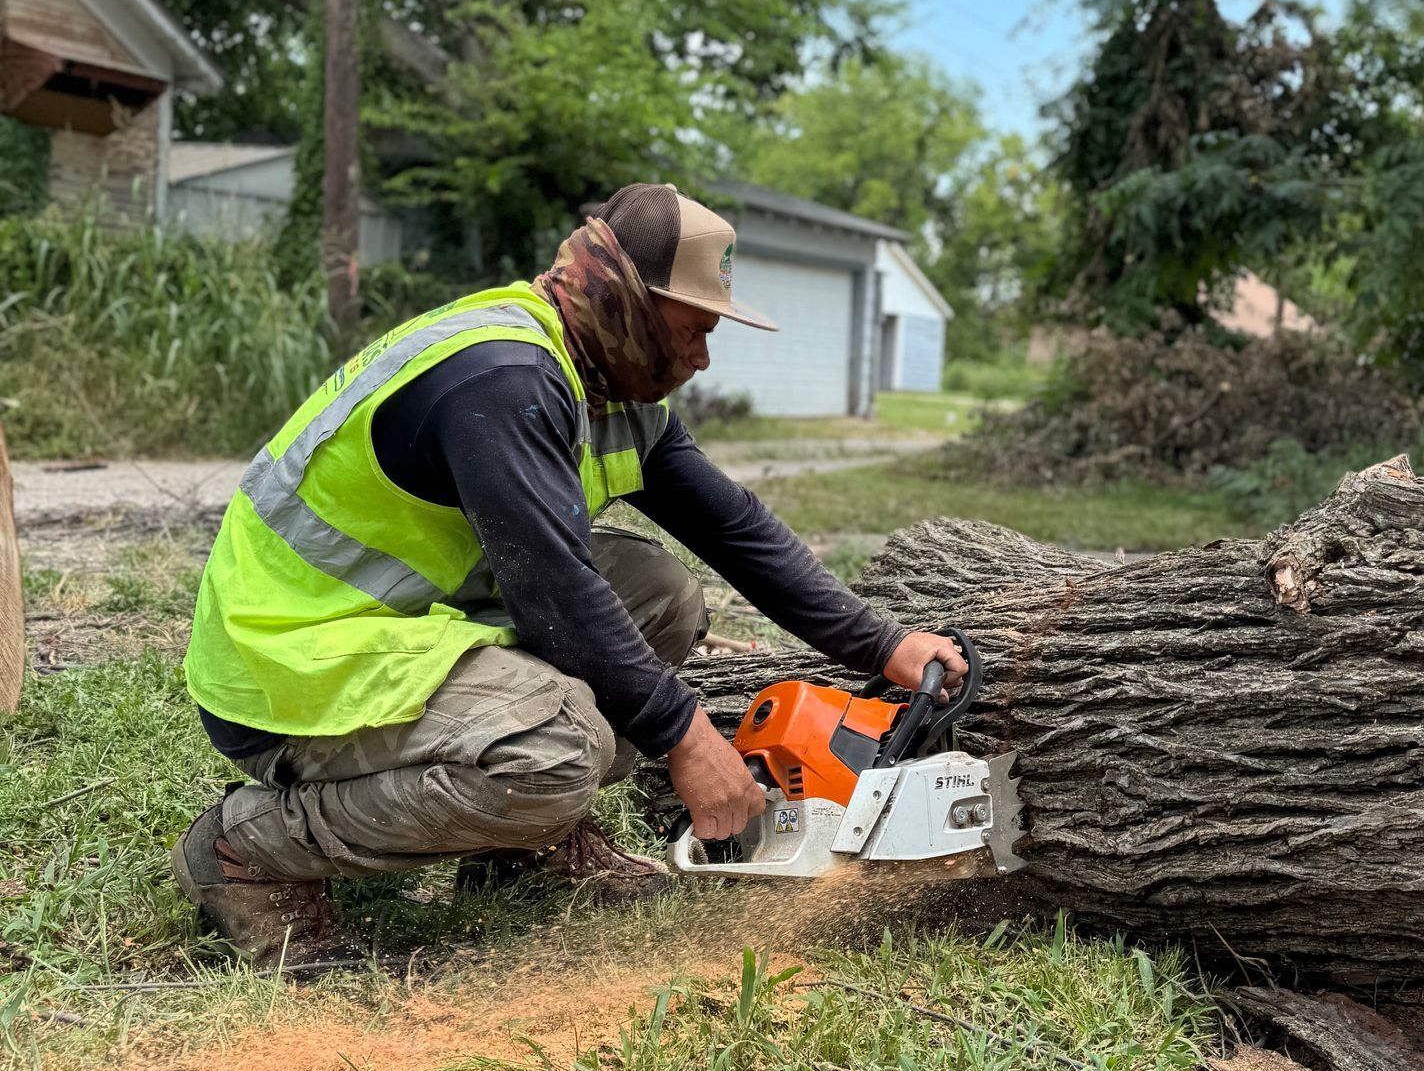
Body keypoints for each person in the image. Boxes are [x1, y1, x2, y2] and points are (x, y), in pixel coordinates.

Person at [176, 184, 964, 974]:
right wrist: (690, 742)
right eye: (694, 331)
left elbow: (733, 528)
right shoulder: (504, 377)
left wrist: (883, 645)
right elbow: (558, 597)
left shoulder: (608, 381)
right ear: (630, 303)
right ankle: (249, 849)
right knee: (554, 753)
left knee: (662, 594)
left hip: (400, 625)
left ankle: (520, 844)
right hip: (289, 668)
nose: (702, 358)